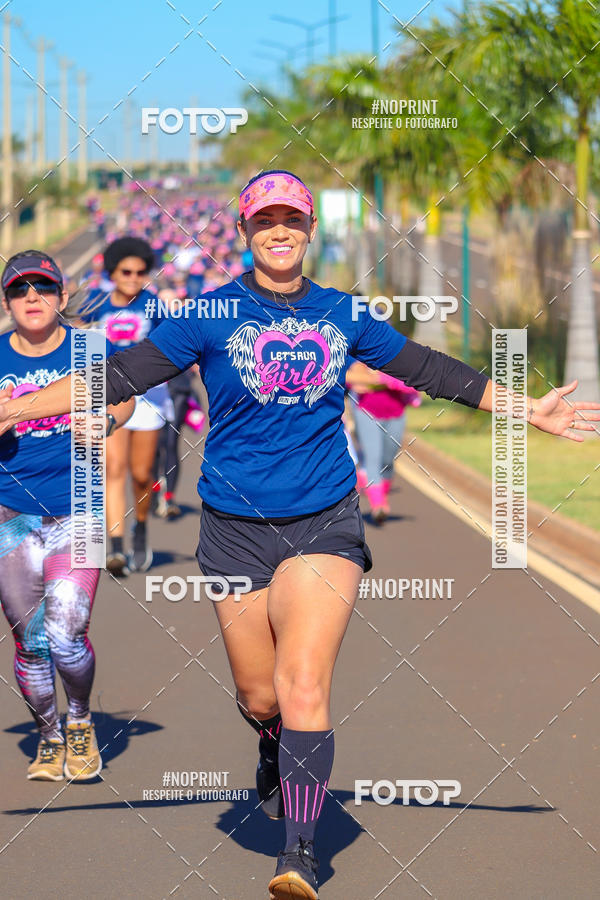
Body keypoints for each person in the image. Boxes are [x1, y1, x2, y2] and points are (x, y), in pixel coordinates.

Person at [1, 172, 598, 898]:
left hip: (323, 520)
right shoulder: (208, 314)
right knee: (262, 697)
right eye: (264, 221)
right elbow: (118, 373)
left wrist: (525, 409)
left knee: (305, 682)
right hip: (231, 530)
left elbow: (426, 368)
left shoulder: (343, 312)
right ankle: (271, 744)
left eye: (292, 219)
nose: (279, 231)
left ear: (309, 230)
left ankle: (301, 853)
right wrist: (15, 408)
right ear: (247, 232)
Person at [0, 250, 134, 781]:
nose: (32, 298)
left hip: (80, 505)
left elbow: (125, 398)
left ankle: (79, 723)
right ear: (7, 300)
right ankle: (48, 734)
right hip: (9, 516)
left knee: (67, 631)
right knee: (29, 640)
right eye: (19, 290)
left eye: (43, 288)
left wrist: (104, 421)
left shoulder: (91, 349)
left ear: (61, 295)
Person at [78, 237, 173, 576]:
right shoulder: (94, 303)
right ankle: (116, 547)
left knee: (141, 475)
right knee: (113, 469)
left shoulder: (155, 307)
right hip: (110, 396)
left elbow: (173, 349)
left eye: (140, 272)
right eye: (126, 271)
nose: (133, 277)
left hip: (150, 399)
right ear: (112, 272)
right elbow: (73, 331)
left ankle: (141, 527)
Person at [346, 360, 421, 524]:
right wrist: (380, 379)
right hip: (366, 410)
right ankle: (378, 505)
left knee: (388, 459)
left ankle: (371, 485)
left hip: (395, 412)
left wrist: (400, 383)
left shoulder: (397, 353)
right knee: (373, 456)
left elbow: (414, 381)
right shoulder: (360, 355)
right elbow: (350, 378)